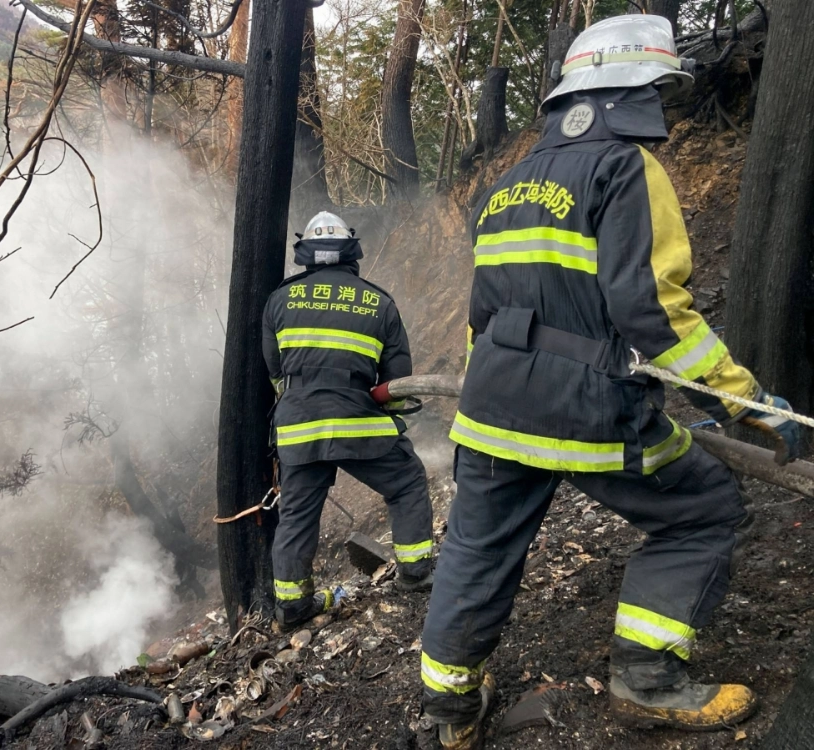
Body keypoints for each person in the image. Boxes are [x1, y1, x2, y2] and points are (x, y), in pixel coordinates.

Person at [418, 15, 803, 749]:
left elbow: (481, 312)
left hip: (492, 406)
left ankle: (448, 710)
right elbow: (653, 309)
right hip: (586, 407)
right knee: (703, 508)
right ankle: (648, 680)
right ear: (632, 91)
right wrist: (740, 400)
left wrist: (483, 394)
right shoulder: (626, 168)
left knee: (476, 547)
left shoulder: (502, 187)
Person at [262, 211, 435, 628]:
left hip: (300, 424)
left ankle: (292, 607)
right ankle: (415, 573)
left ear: (306, 254)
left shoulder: (279, 300)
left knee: (298, 515)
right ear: (350, 250)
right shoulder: (379, 301)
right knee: (407, 481)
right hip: (360, 418)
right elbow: (398, 380)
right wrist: (385, 420)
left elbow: (274, 369)